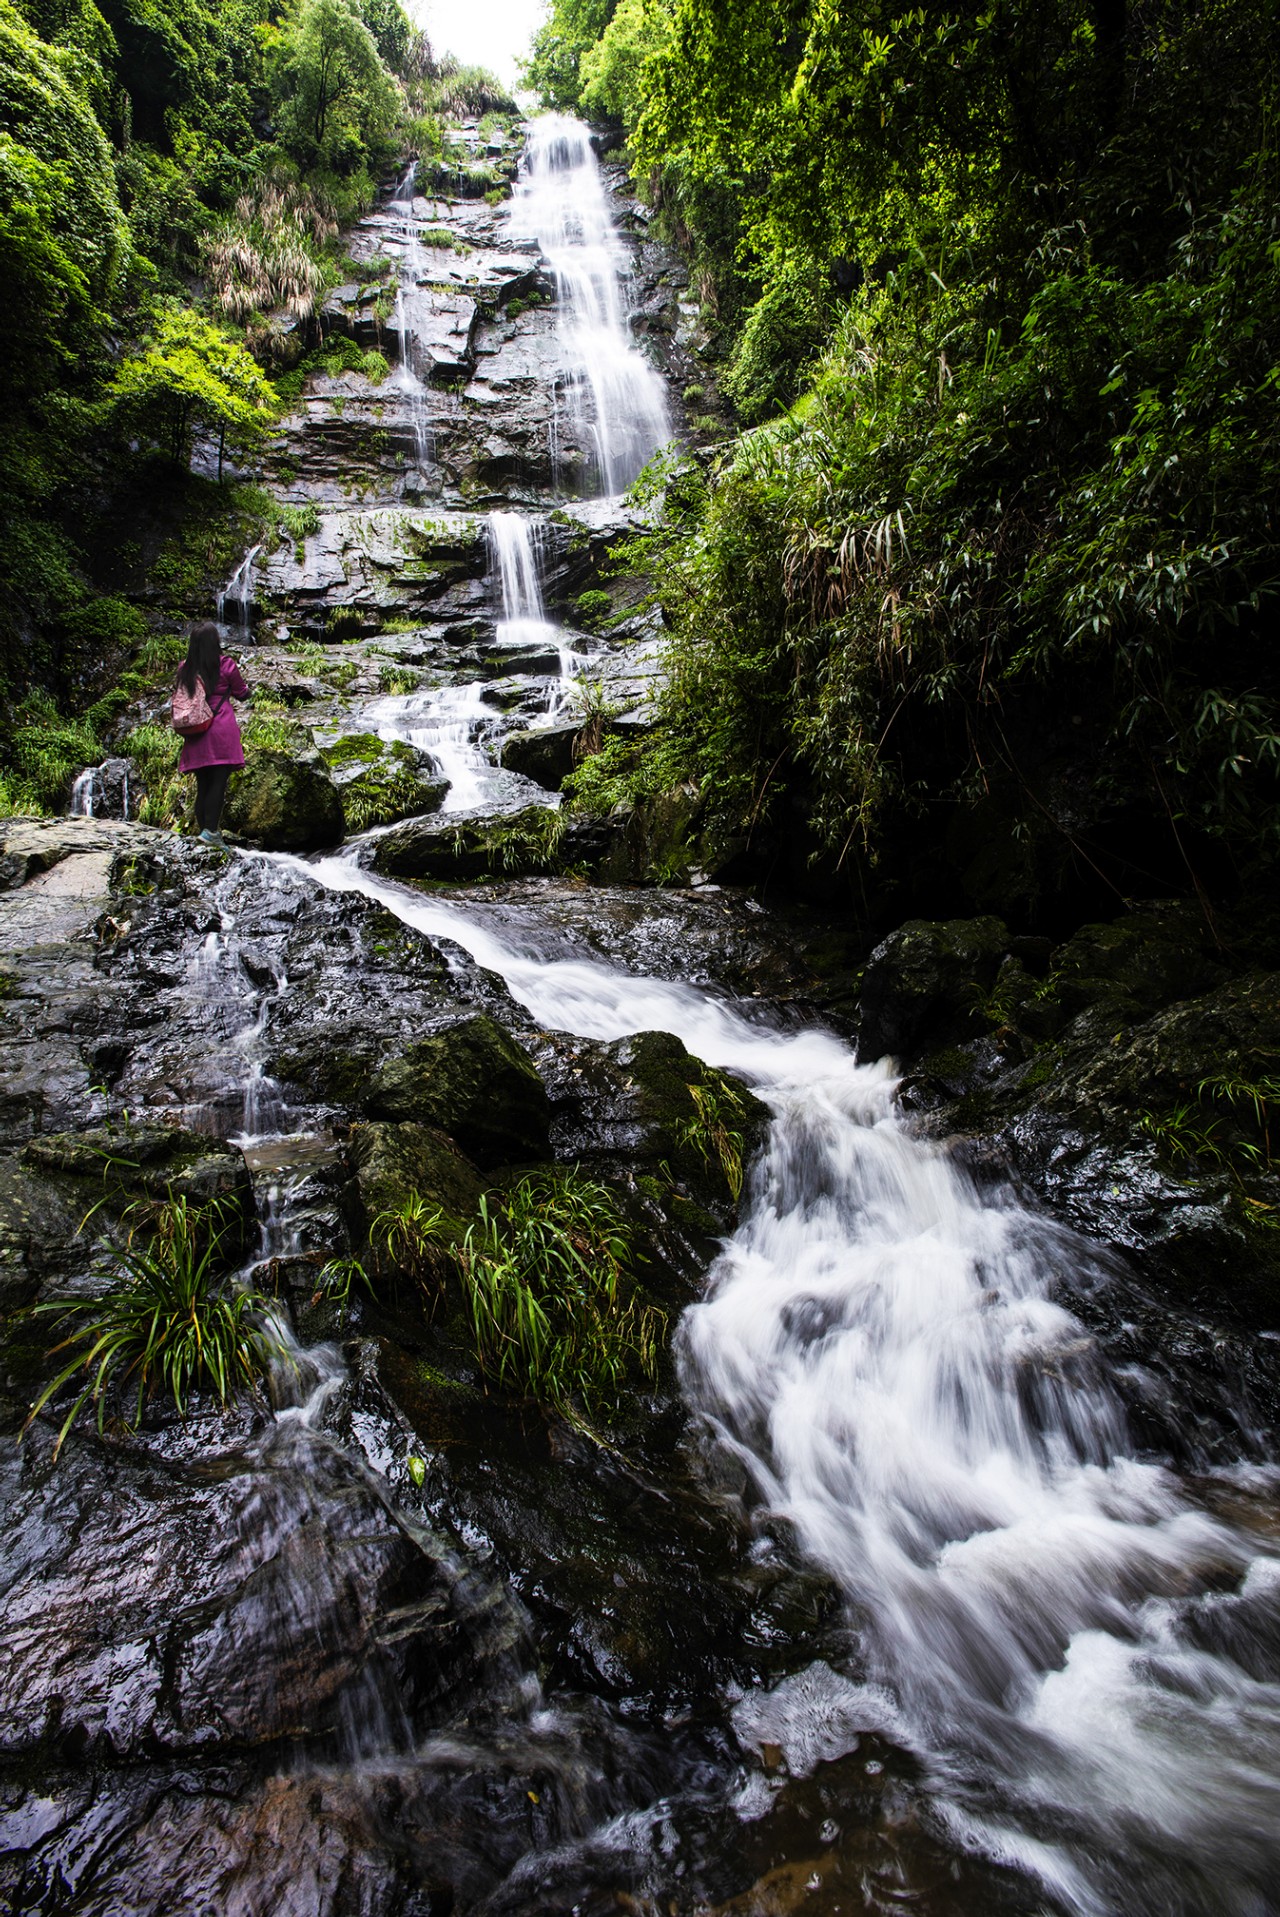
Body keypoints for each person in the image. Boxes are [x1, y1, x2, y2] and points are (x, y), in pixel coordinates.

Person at [175, 621, 249, 848]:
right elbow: (241, 693)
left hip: (197, 731)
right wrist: (247, 691)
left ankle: (205, 832)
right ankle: (211, 833)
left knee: (203, 784)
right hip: (220, 729)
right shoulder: (226, 665)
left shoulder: (185, 668)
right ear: (215, 642)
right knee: (218, 782)